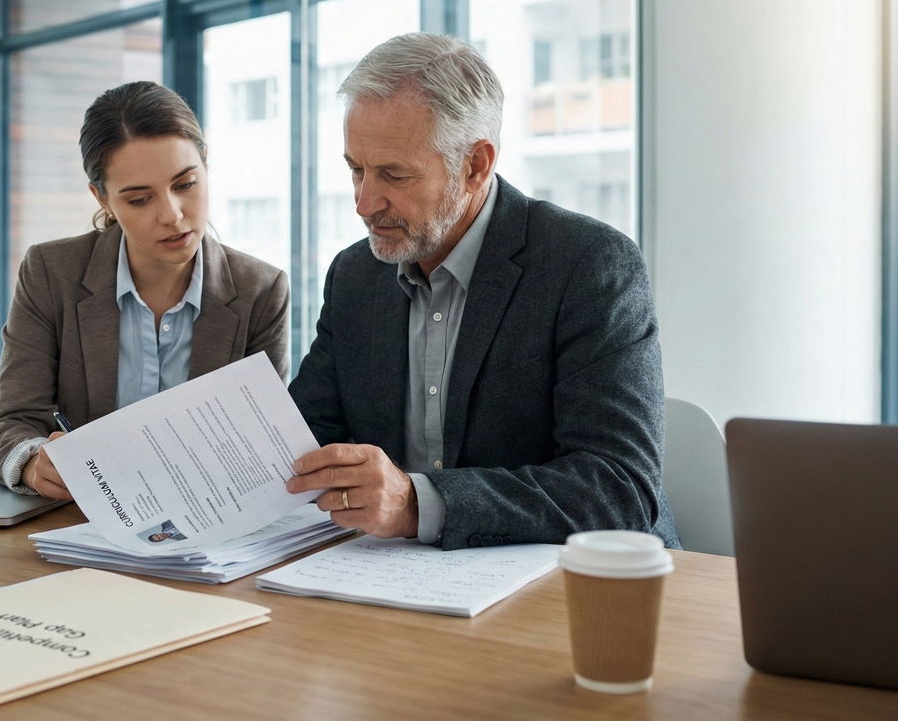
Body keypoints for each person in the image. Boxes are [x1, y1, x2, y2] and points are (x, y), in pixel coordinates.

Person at [285, 33, 678, 550]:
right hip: (395, 579)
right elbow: (304, 440)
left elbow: (618, 487)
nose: (363, 202)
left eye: (393, 174)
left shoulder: (588, 265)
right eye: (355, 169)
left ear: (475, 165)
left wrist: (416, 503)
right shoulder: (356, 276)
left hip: (573, 584)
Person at [0, 81, 290, 499]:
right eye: (140, 199)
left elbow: (261, 443)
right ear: (103, 199)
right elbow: (11, 423)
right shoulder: (51, 273)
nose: (172, 215)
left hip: (209, 525)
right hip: (78, 523)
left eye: (185, 184)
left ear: (206, 164)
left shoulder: (262, 291)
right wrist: (35, 461)